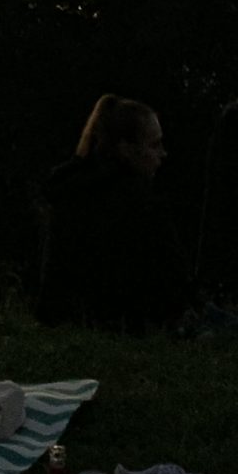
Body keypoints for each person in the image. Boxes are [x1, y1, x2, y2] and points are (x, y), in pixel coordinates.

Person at [36, 96, 195, 332]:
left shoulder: (67, 192)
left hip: (66, 319)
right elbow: (177, 291)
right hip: (130, 325)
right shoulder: (143, 207)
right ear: (126, 150)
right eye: (154, 145)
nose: (163, 153)